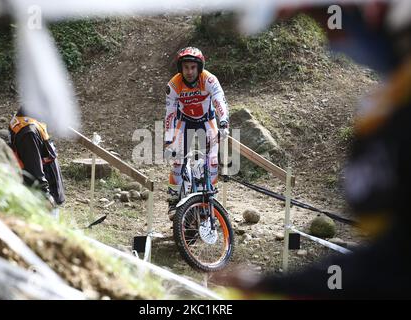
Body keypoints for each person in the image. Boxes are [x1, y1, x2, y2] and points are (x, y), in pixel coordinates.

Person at [221, 0, 411, 299]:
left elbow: (393, 263)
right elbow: (392, 256)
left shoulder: (396, 115)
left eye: (328, 18)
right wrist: (285, 285)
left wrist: (288, 287)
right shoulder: (390, 105)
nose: (331, 38)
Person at [164, 47, 230, 218]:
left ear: (199, 68)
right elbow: (170, 113)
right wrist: (168, 139)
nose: (189, 72)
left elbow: (219, 100)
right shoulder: (173, 85)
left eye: (193, 67)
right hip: (183, 122)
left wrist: (223, 123)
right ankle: (172, 202)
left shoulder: (209, 79)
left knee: (212, 161)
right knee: (178, 160)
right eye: (186, 67)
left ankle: (210, 200)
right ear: (181, 68)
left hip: (206, 121)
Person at [8, 107, 65, 216]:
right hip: (42, 200)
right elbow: (34, 169)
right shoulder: (29, 132)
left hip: (47, 193)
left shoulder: (28, 119)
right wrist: (46, 196)